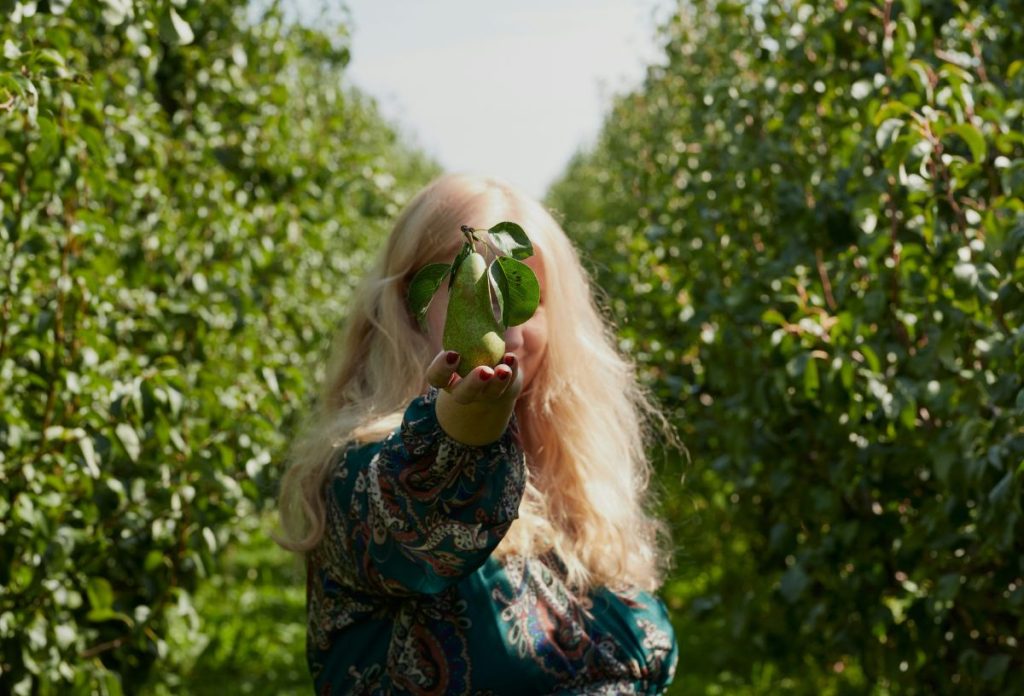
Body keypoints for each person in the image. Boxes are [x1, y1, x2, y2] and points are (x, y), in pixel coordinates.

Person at [274, 172, 682, 695]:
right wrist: (462, 431)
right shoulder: (363, 468)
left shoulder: (571, 478)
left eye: (524, 298)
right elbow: (420, 522)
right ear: (408, 308)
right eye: (474, 290)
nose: (507, 329)